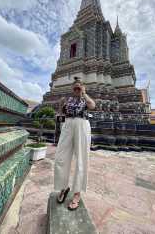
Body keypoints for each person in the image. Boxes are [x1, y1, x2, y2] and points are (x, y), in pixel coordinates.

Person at [53, 77, 96, 210]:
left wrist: (84, 93)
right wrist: (60, 108)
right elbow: (60, 114)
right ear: (72, 89)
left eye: (79, 87)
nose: (77, 89)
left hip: (82, 125)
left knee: (81, 160)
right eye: (75, 87)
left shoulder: (85, 98)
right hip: (68, 125)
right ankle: (63, 187)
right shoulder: (67, 99)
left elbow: (92, 106)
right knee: (60, 158)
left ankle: (77, 193)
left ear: (83, 88)